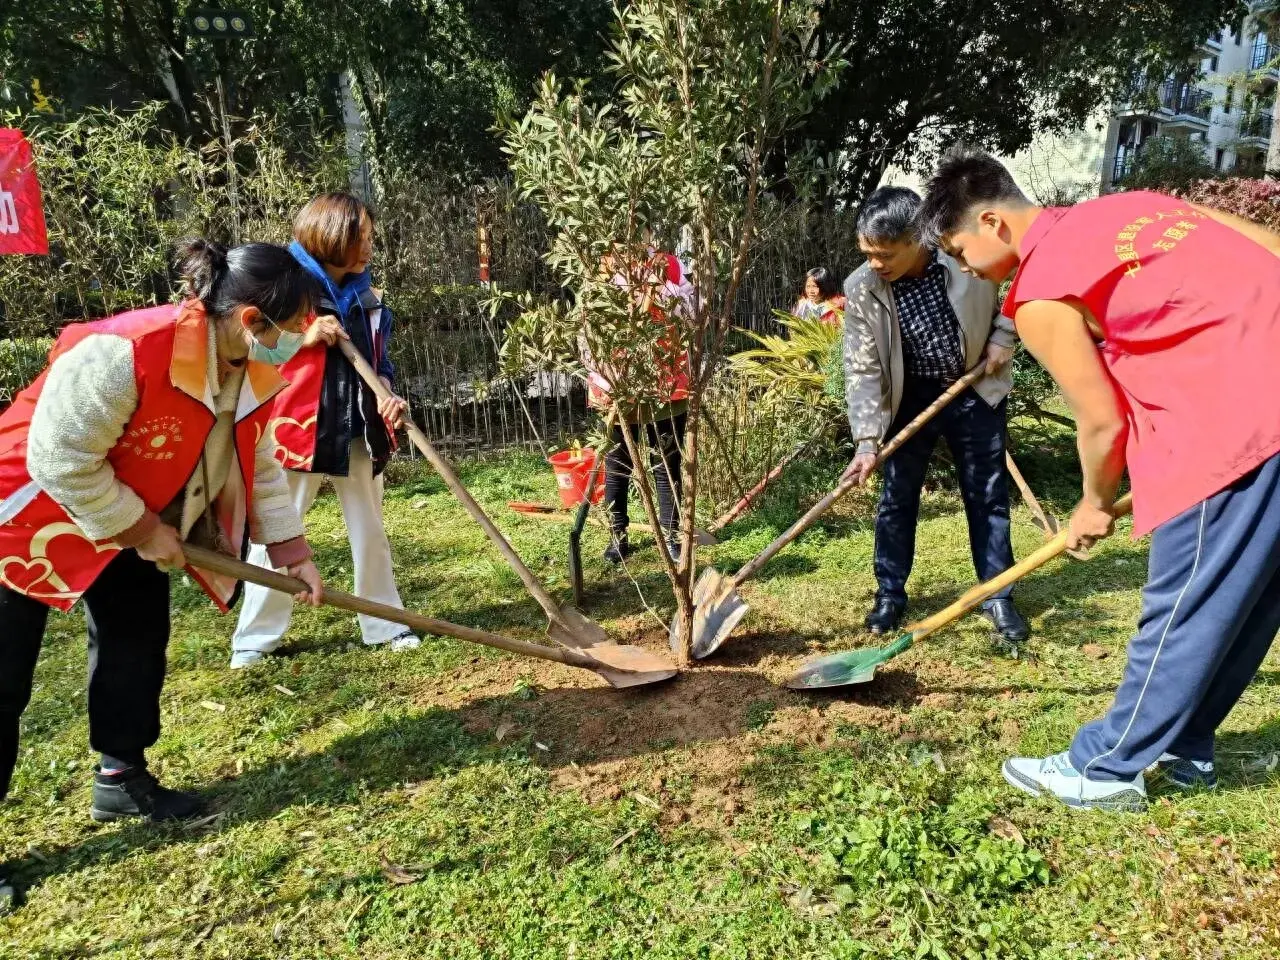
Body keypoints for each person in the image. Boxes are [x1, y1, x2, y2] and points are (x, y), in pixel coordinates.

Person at [919, 146, 1280, 811]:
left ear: (993, 223)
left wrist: (1091, 503)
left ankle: (1105, 769)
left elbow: (1101, 422)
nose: (964, 268)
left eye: (959, 250)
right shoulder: (1130, 208)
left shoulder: (1040, 291)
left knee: (1184, 602)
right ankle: (1189, 744)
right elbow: (1265, 243)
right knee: (1250, 597)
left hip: (1227, 417)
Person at [0, 240, 332, 904]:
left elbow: (255, 458)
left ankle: (121, 778)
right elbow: (58, 457)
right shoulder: (129, 351)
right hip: (22, 512)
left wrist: (291, 548)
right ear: (249, 322)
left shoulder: (247, 368)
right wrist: (144, 528)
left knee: (136, 638)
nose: (300, 338)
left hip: (124, 513)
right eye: (292, 325)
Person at [230, 193, 420, 669]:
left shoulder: (367, 297)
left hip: (358, 427)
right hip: (297, 428)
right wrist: (304, 337)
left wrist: (388, 392)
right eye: (362, 238)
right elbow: (244, 347)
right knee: (276, 529)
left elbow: (380, 361)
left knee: (370, 528)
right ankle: (255, 637)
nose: (370, 246)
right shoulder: (282, 286)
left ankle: (384, 622)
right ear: (331, 236)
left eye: (371, 237)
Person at [841, 186, 1027, 643]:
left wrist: (1005, 333)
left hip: (974, 387)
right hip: (909, 399)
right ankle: (889, 595)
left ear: (918, 239)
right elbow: (862, 366)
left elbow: (1025, 275)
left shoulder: (965, 253)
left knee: (986, 494)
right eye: (868, 253)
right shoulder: (862, 288)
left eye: (885, 253)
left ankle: (998, 593)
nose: (875, 263)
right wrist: (867, 440)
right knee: (896, 499)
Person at [584, 243, 693, 563]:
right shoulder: (602, 268)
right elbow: (589, 329)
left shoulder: (669, 265)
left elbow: (690, 312)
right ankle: (618, 535)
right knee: (618, 465)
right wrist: (602, 379)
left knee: (667, 463)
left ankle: (671, 536)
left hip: (666, 382)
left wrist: (662, 288)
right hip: (619, 384)